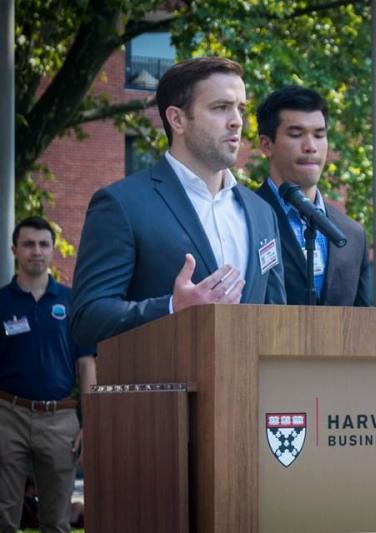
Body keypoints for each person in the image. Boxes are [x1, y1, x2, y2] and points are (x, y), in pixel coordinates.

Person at [71, 57, 286, 346]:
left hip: (248, 388)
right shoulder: (121, 204)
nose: (237, 121)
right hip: (165, 388)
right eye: (221, 107)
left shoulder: (263, 213)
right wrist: (172, 307)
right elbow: (87, 319)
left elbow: (277, 317)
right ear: (178, 119)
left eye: (241, 109)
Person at [0, 216, 96, 533]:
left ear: (53, 251)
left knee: (56, 521)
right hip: (7, 415)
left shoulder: (72, 301)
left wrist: (90, 421)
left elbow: (86, 364)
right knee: (3, 518)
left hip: (60, 419)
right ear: (15, 249)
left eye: (43, 244)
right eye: (28, 244)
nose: (36, 251)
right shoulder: (1, 301)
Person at [255, 86, 369, 306]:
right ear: (267, 145)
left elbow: (364, 321)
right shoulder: (242, 219)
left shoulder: (353, 234)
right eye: (296, 135)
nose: (311, 147)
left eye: (319, 135)